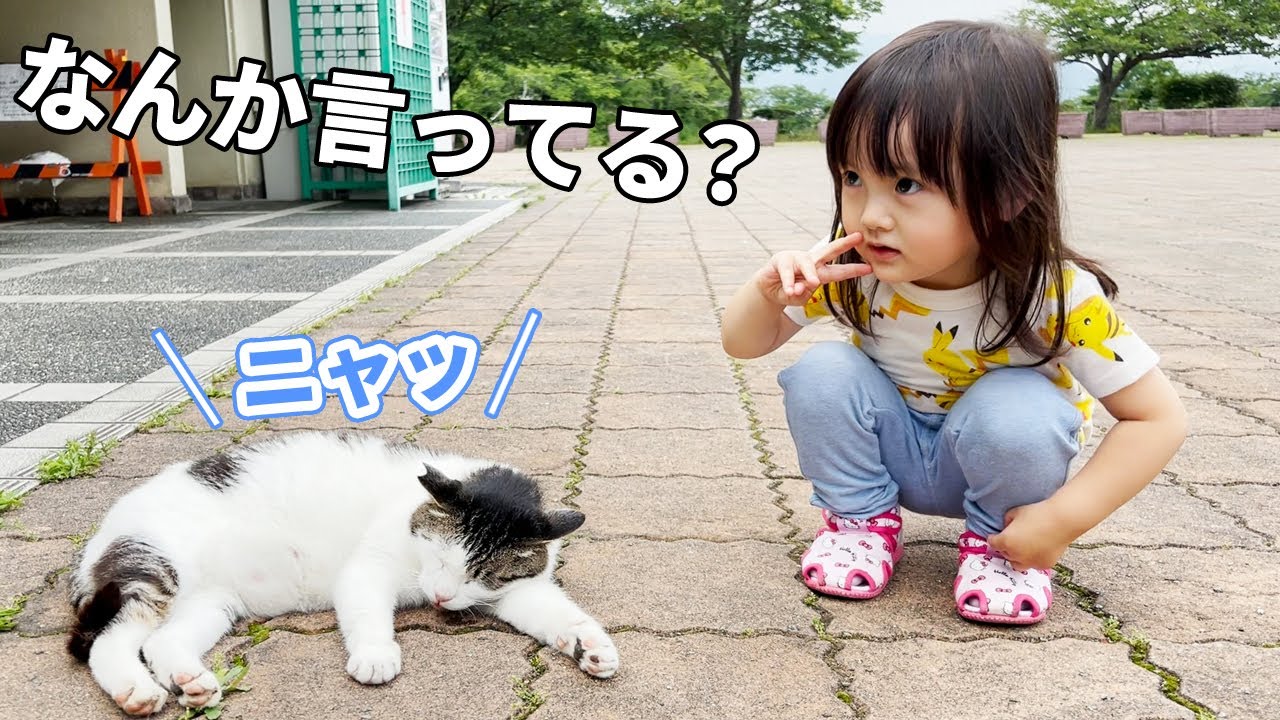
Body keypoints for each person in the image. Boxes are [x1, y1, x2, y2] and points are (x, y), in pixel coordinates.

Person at [720, 20, 1188, 625]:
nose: (871, 213)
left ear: (1006, 194)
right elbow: (743, 344)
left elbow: (1158, 417)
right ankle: (859, 524)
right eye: (854, 178)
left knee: (1022, 402)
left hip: (999, 468)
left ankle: (1000, 551)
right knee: (824, 370)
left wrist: (1063, 519)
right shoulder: (854, 263)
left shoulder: (1055, 294)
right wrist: (766, 293)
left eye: (907, 183)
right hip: (891, 458)